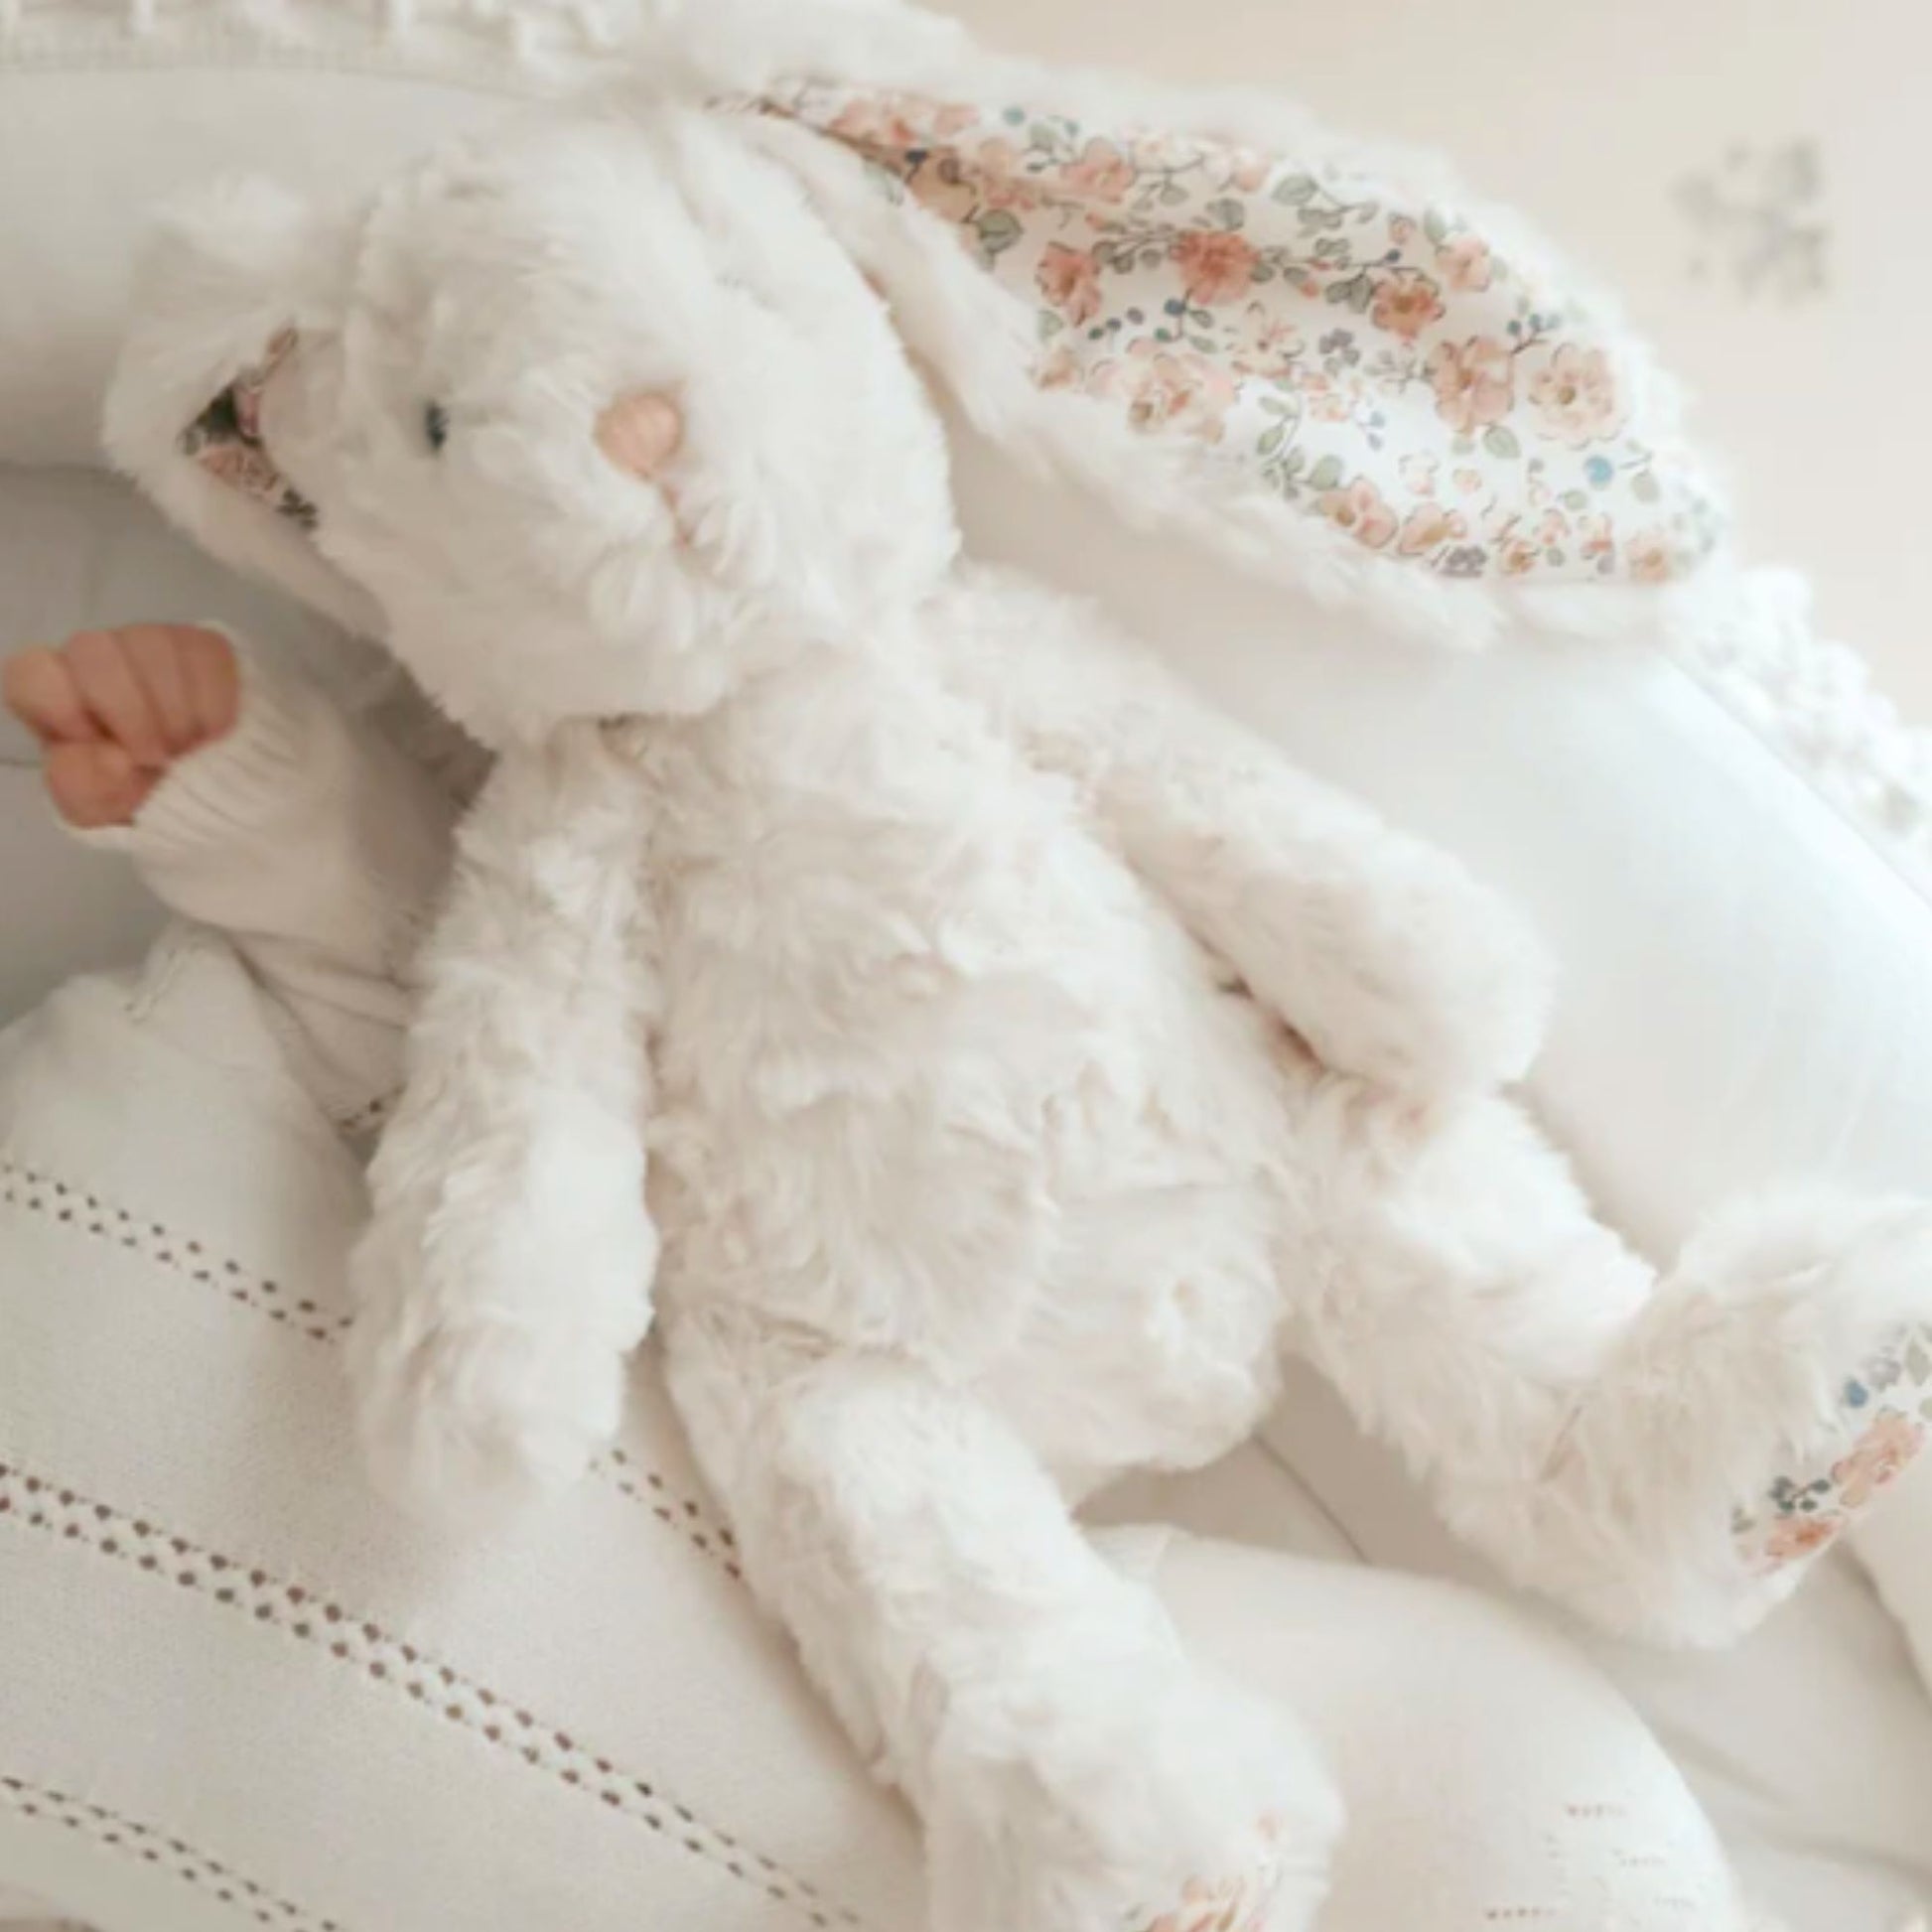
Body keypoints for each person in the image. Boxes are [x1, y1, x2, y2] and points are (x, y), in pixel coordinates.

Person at [0, 622, 1786, 1932]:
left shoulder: (108, 1103)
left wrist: (237, 780)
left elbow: (469, 1003)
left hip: (1075, 1664)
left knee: (1536, 1828)